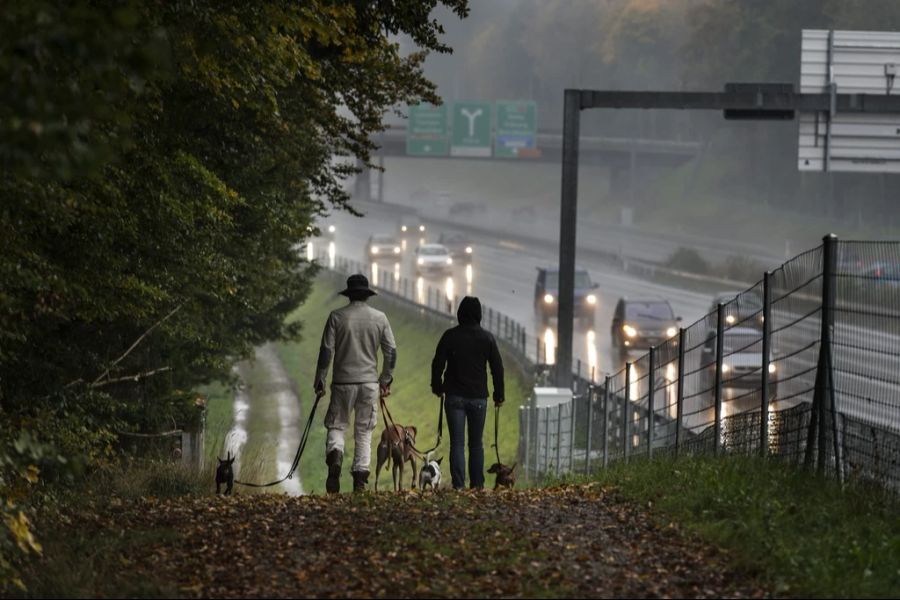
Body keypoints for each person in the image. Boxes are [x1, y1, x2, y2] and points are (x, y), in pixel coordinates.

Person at [315, 274, 396, 493]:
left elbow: (326, 352)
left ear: (349, 294)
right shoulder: (380, 318)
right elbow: (391, 352)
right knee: (364, 431)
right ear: (367, 295)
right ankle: (360, 479)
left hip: (342, 383)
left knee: (337, 425)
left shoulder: (336, 317)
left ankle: (336, 454)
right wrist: (385, 380)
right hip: (369, 384)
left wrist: (320, 380)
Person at [430, 296, 504, 490]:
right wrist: (499, 395)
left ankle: (459, 486)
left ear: (460, 313)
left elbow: (437, 363)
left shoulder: (450, 336)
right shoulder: (487, 338)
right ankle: (478, 485)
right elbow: (497, 368)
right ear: (479, 315)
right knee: (476, 444)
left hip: (454, 396)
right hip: (479, 397)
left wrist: (437, 387)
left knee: (457, 444)